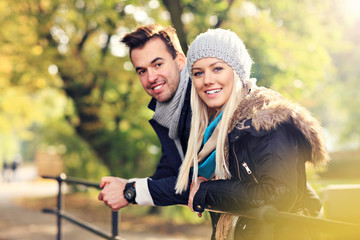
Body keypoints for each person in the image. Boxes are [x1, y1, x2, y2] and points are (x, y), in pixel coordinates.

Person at [174, 28, 329, 239]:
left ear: (237, 72)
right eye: (198, 72)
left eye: (217, 68)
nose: (206, 80)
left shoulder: (268, 124)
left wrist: (208, 191)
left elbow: (278, 196)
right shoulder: (218, 130)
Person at [98, 24, 191, 209]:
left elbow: (200, 185)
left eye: (158, 64)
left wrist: (130, 191)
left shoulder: (202, 101)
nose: (151, 78)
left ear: (180, 61)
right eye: (142, 71)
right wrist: (127, 186)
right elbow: (170, 172)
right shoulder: (166, 112)